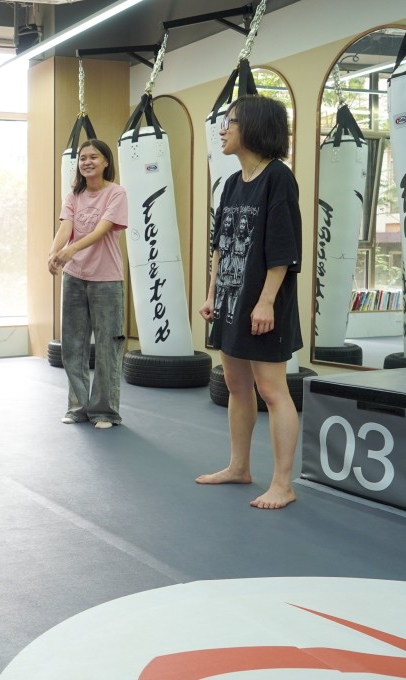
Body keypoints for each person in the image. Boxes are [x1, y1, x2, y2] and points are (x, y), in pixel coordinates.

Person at [196, 94, 302, 510]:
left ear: (254, 126)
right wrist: (211, 294)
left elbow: (283, 248)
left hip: (263, 303)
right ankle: (239, 467)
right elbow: (220, 244)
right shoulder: (232, 182)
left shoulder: (279, 178)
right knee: (238, 387)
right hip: (229, 301)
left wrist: (266, 303)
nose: (223, 129)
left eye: (231, 121)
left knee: (272, 391)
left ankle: (283, 484)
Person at [48, 139, 128, 429]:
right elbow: (65, 227)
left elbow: (102, 229)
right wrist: (53, 252)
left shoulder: (116, 193)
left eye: (94, 157)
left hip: (106, 279)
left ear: (106, 161)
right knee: (73, 344)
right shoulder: (73, 194)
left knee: (107, 346)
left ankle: (105, 412)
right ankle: (78, 407)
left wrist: (71, 250)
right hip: (75, 277)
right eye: (82, 158)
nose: (87, 162)